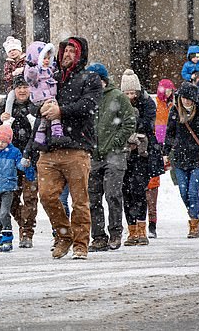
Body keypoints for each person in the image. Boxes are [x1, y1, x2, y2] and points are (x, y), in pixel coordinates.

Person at [36, 36, 102, 260]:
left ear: (81, 54)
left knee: (80, 200)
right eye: (65, 50)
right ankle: (64, 234)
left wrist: (61, 112)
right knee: (46, 196)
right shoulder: (51, 77)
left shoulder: (90, 78)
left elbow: (89, 106)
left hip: (76, 147)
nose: (67, 55)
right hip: (49, 149)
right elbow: (38, 101)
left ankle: (81, 244)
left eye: (73, 51)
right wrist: (42, 108)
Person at [85, 63, 135, 252]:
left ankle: (115, 233)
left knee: (113, 194)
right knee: (93, 197)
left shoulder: (118, 97)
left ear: (102, 79)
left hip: (114, 155)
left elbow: (129, 122)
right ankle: (98, 237)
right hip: (93, 155)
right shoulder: (88, 98)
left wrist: (116, 142)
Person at [0, 75, 38, 248]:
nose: (22, 91)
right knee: (12, 200)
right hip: (9, 161)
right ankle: (22, 225)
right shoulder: (4, 105)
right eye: (19, 87)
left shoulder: (36, 105)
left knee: (30, 198)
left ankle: (27, 233)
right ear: (13, 90)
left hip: (31, 158)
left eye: (25, 87)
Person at [163, 82, 199, 238]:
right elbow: (169, 133)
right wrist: (166, 152)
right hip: (180, 158)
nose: (186, 101)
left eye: (189, 98)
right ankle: (195, 214)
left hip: (198, 158)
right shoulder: (175, 111)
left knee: (192, 191)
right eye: (183, 98)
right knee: (183, 192)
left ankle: (193, 222)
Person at [120, 70, 163, 246]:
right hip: (123, 152)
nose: (130, 96)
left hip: (142, 153)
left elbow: (147, 123)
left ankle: (141, 229)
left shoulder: (147, 103)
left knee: (138, 190)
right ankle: (131, 230)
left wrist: (133, 128)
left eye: (133, 93)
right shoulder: (118, 104)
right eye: (127, 93)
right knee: (125, 192)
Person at [146, 79, 176, 238]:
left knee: (154, 184)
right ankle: (145, 222)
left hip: (165, 147)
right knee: (148, 184)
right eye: (165, 90)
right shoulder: (155, 104)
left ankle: (152, 222)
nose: (168, 93)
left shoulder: (173, 106)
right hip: (154, 146)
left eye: (170, 90)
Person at [24, 41, 64, 147]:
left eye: (48, 58)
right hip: (43, 96)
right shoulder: (35, 70)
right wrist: (32, 67)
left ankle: (39, 138)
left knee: (44, 119)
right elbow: (30, 78)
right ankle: (57, 133)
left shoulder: (48, 69)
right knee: (54, 110)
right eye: (44, 58)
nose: (46, 61)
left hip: (46, 95)